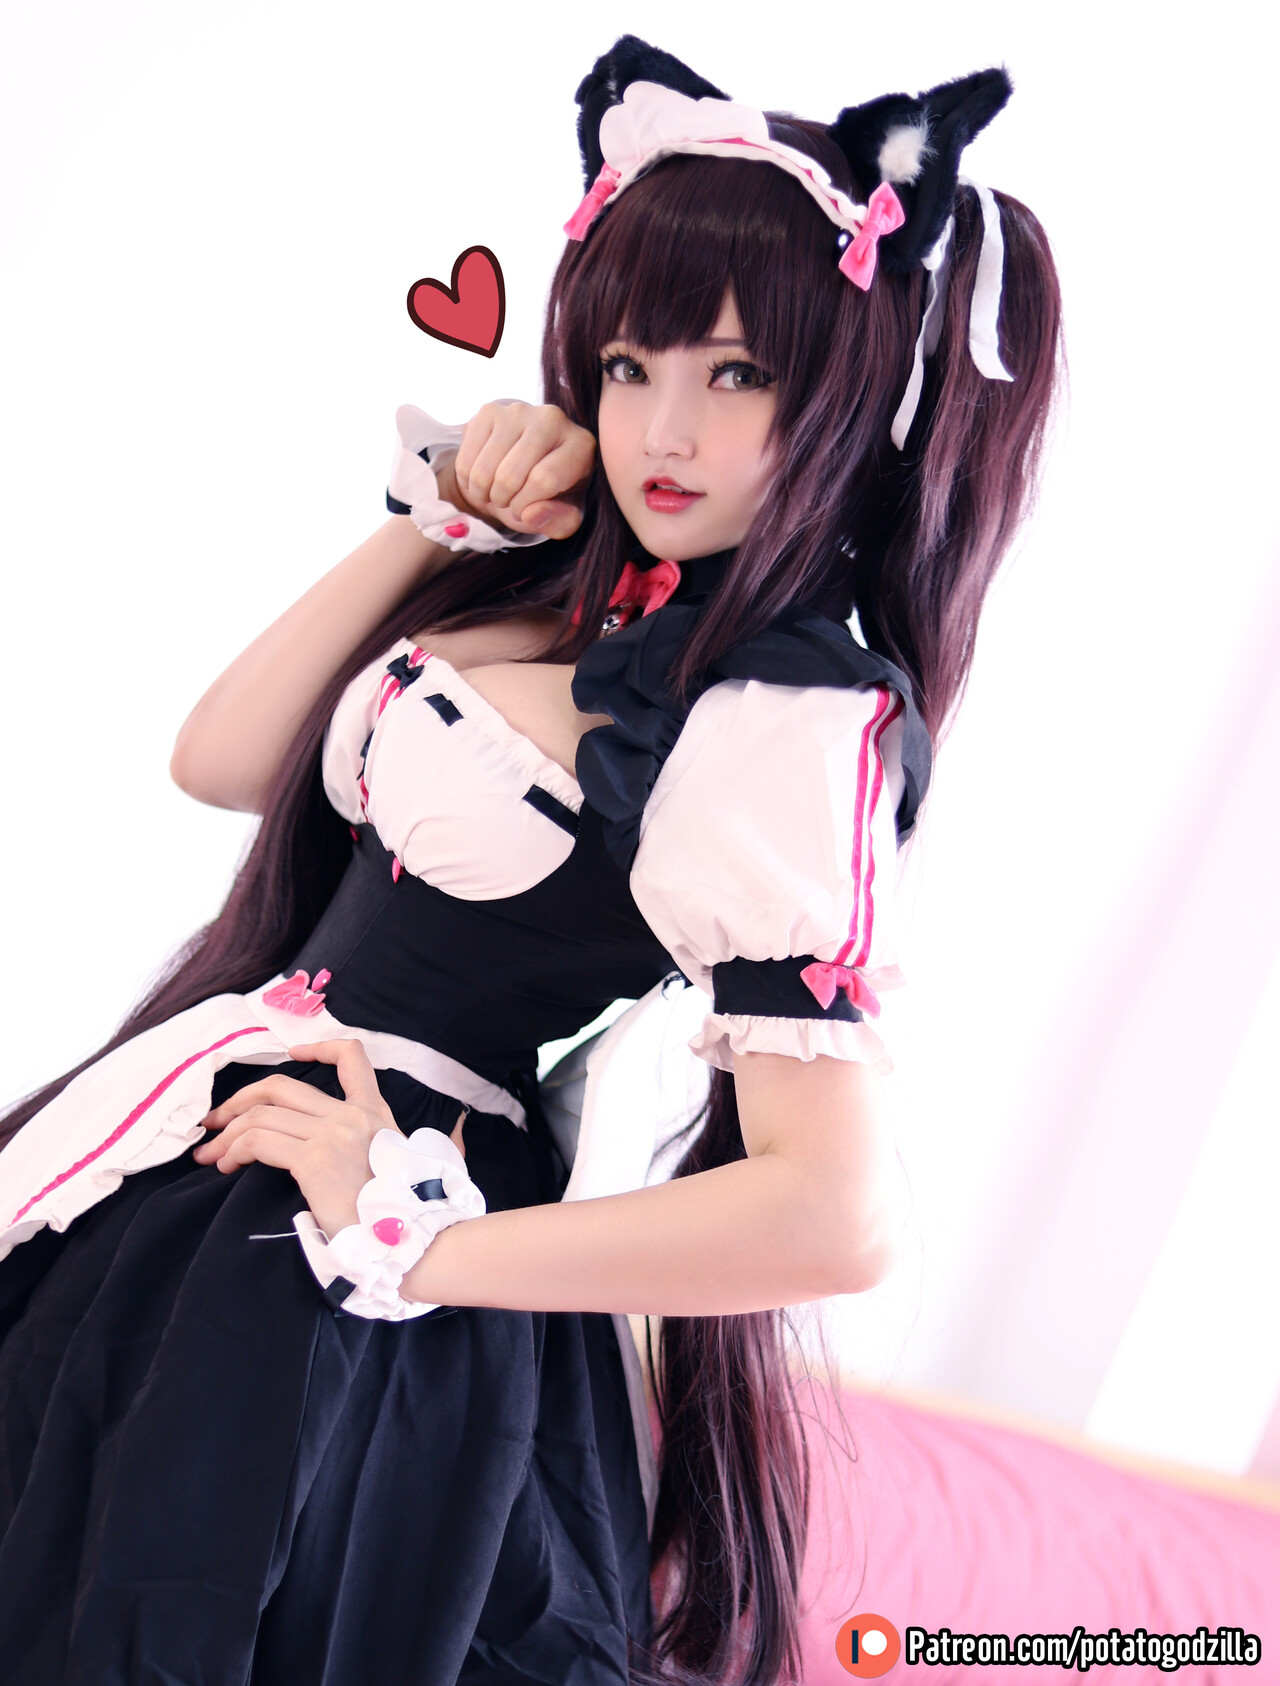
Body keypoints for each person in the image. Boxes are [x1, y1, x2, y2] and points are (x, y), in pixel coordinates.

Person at [0, 33, 1062, 1686]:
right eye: (632, 366)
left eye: (738, 376)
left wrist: (417, 1239)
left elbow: (834, 1211)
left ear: (853, 399)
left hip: (342, 1276)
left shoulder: (782, 718)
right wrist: (443, 519)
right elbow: (222, 756)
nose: (665, 428)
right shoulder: (561, 595)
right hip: (194, 1176)